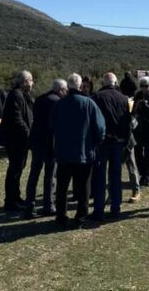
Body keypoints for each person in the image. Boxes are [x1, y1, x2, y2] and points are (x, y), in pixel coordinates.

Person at [52, 73, 105, 228]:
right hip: (84, 152)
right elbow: (100, 128)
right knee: (83, 187)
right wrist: (97, 141)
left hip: (63, 153)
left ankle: (61, 216)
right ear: (80, 86)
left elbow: (51, 125)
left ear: (68, 86)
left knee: (62, 187)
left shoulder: (59, 104)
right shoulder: (89, 103)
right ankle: (81, 217)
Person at [24, 78, 67, 218]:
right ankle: (49, 205)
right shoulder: (58, 102)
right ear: (61, 90)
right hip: (49, 143)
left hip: (37, 141)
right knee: (50, 175)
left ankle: (29, 205)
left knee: (34, 174)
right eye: (65, 90)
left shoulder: (40, 99)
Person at [92, 73, 131, 220]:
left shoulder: (97, 97)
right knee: (116, 176)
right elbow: (128, 121)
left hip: (102, 142)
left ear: (103, 83)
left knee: (100, 176)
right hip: (118, 142)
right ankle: (116, 208)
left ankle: (98, 210)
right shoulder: (124, 99)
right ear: (115, 83)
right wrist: (126, 140)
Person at [0, 70, 34, 214]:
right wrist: (28, 134)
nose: (32, 83)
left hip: (20, 140)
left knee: (18, 168)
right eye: (31, 80)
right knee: (14, 169)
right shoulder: (16, 95)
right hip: (16, 140)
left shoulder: (22, 94)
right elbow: (17, 119)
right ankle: (10, 201)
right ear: (25, 81)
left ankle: (16, 197)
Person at [133, 76, 149, 186]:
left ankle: (148, 176)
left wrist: (146, 105)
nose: (144, 88)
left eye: (146, 86)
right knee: (138, 151)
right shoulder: (137, 95)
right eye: (142, 85)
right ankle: (142, 174)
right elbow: (133, 110)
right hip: (138, 127)